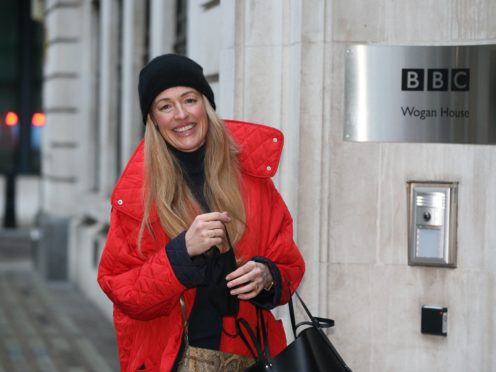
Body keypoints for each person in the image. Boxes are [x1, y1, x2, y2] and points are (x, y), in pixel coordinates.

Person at [97, 53, 305, 372]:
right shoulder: (137, 194)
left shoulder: (251, 178)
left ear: (205, 104)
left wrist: (268, 275)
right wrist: (180, 253)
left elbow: (289, 263)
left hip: (250, 357)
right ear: (153, 119)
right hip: (173, 361)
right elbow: (124, 291)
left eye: (189, 100)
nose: (181, 115)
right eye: (165, 106)